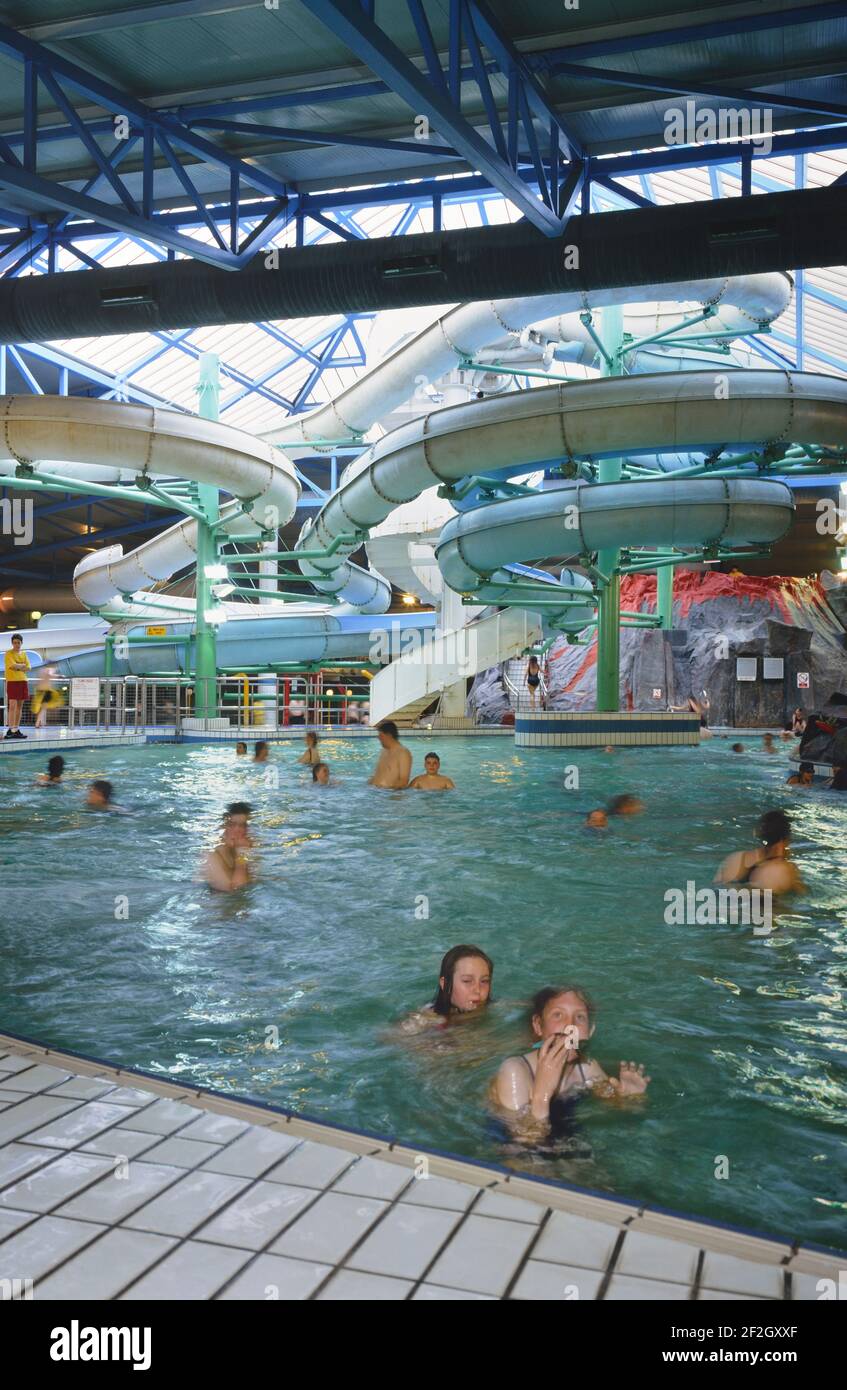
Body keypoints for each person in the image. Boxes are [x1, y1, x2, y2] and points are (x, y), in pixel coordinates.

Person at [491, 986, 650, 1148]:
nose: (570, 1026)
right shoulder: (516, 1071)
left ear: (590, 1031)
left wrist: (630, 1097)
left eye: (580, 1017)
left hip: (565, 1137)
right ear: (538, 1025)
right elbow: (523, 1144)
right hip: (515, 1147)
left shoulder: (587, 1068)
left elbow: (619, 1111)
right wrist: (542, 1094)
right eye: (558, 1015)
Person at [399, 945, 493, 1033]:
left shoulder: (495, 1007)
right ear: (445, 984)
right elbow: (391, 1037)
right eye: (467, 981)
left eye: (484, 981)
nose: (477, 990)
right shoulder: (427, 1019)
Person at [715, 809, 805, 896]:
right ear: (787, 838)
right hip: (760, 906)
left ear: (758, 834)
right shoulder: (781, 870)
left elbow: (716, 889)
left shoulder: (735, 858)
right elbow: (803, 895)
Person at [204, 802, 254, 893]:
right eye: (232, 825)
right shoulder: (211, 857)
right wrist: (241, 853)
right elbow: (236, 890)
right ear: (223, 827)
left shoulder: (239, 854)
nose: (237, 830)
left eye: (242, 825)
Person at [368, 720, 412, 788]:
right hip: (375, 793)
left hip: (388, 794)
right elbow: (377, 775)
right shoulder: (384, 751)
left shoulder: (403, 753)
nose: (378, 738)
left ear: (389, 735)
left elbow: (404, 781)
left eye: (381, 735)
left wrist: (388, 793)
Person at [3, 633, 30, 740]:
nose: (17, 644)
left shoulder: (24, 653)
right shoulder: (8, 653)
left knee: (19, 706)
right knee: (12, 705)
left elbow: (28, 667)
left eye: (18, 642)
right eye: (15, 642)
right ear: (12, 643)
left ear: (21, 643)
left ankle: (16, 729)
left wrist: (19, 667)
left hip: (23, 681)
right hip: (12, 681)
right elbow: (12, 665)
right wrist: (21, 666)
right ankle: (10, 729)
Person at [31, 665, 64, 731]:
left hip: (40, 690)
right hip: (45, 691)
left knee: (40, 708)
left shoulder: (41, 670)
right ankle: (38, 722)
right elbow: (50, 674)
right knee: (42, 707)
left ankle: (38, 722)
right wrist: (59, 676)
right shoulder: (50, 669)